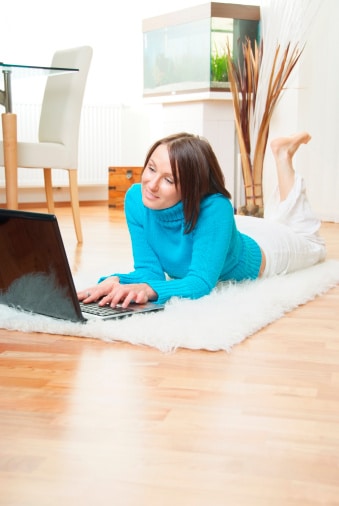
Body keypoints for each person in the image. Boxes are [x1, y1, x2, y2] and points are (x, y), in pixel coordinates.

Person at [78, 131, 326, 308]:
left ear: (192, 188)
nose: (150, 185)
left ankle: (282, 157)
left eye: (169, 180)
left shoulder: (216, 209)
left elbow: (200, 283)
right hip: (228, 231)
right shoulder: (136, 199)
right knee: (278, 220)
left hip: (268, 250)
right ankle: (282, 158)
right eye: (151, 169)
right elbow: (148, 271)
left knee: (311, 242)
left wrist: (150, 290)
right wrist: (115, 281)